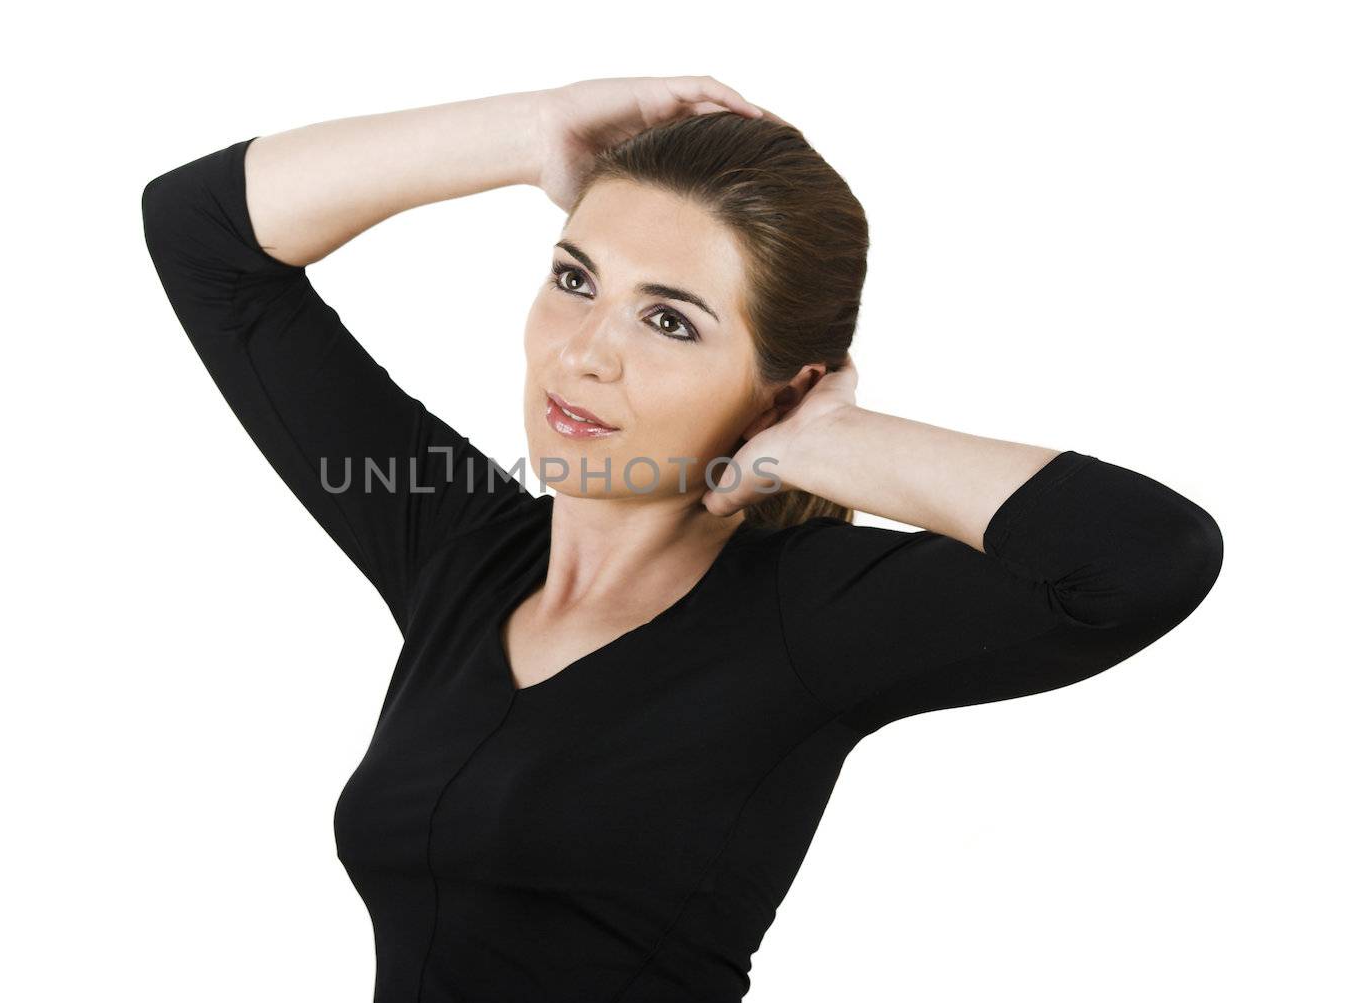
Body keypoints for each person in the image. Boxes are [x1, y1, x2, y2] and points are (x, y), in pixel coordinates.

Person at [139, 76, 1223, 1003]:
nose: (584, 354)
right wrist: (533, 131)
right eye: (574, 280)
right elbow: (202, 231)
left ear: (782, 387)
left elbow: (1141, 556)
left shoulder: (803, 620)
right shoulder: (454, 548)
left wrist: (832, 440)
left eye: (669, 319)